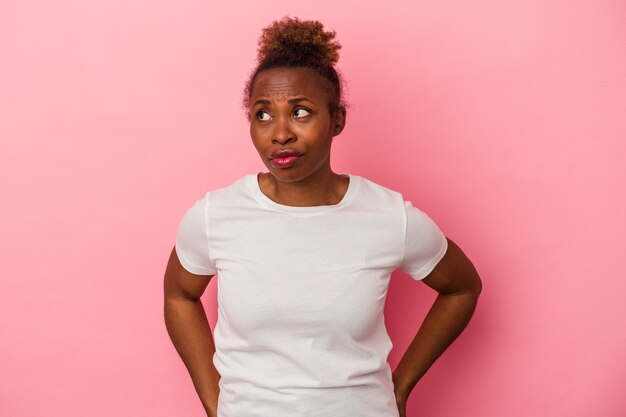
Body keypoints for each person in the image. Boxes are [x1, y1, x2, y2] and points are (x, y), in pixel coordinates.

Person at [164, 16, 482, 417]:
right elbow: (179, 295)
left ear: (337, 121)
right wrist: (214, 401)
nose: (279, 133)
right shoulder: (216, 215)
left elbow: (462, 287)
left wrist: (398, 390)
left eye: (300, 112)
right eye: (263, 114)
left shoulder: (387, 216)